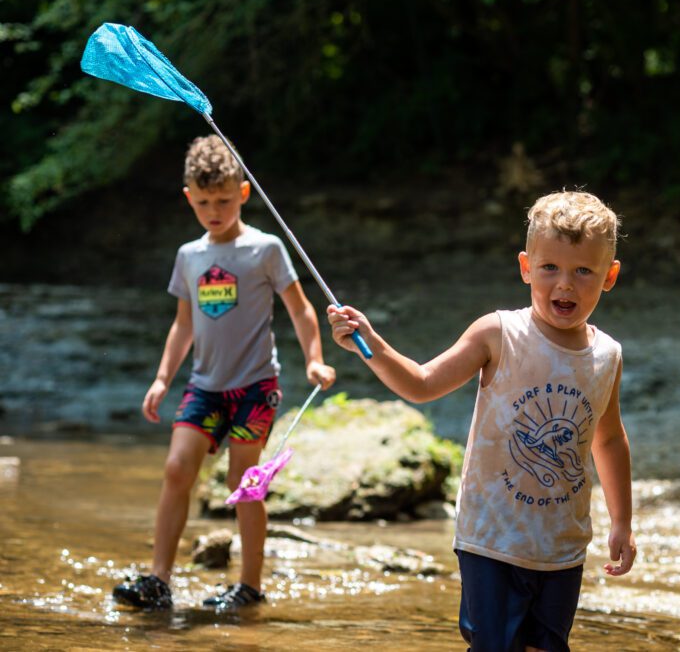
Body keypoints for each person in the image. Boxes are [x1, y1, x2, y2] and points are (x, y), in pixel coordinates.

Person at [328, 191, 636, 651]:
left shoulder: (606, 355)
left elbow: (608, 441)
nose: (565, 285)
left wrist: (622, 522)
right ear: (525, 266)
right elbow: (423, 383)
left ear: (609, 276)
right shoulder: (498, 334)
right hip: (490, 540)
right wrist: (371, 344)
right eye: (549, 267)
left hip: (561, 547)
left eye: (583, 271)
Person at [113, 135, 335, 610]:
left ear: (244, 194)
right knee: (176, 469)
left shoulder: (265, 249)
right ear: (189, 198)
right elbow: (183, 323)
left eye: (225, 200)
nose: (215, 211)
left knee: (244, 479)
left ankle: (249, 585)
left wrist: (314, 358)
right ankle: (158, 580)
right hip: (204, 387)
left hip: (255, 388)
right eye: (205, 202)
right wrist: (161, 378)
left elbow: (300, 310)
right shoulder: (190, 257)